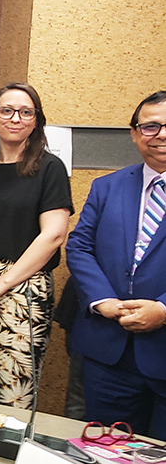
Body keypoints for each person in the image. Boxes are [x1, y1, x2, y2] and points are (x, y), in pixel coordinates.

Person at [0, 82, 71, 408]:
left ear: (36, 121)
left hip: (24, 290)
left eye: (25, 112)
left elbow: (53, 235)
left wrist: (3, 282)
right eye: (6, 110)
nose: (15, 118)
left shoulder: (49, 169)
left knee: (11, 392)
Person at [66, 91, 166, 439]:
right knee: (106, 454)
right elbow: (79, 246)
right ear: (136, 134)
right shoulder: (107, 186)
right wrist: (102, 300)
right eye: (151, 126)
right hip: (109, 353)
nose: (162, 135)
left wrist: (163, 308)